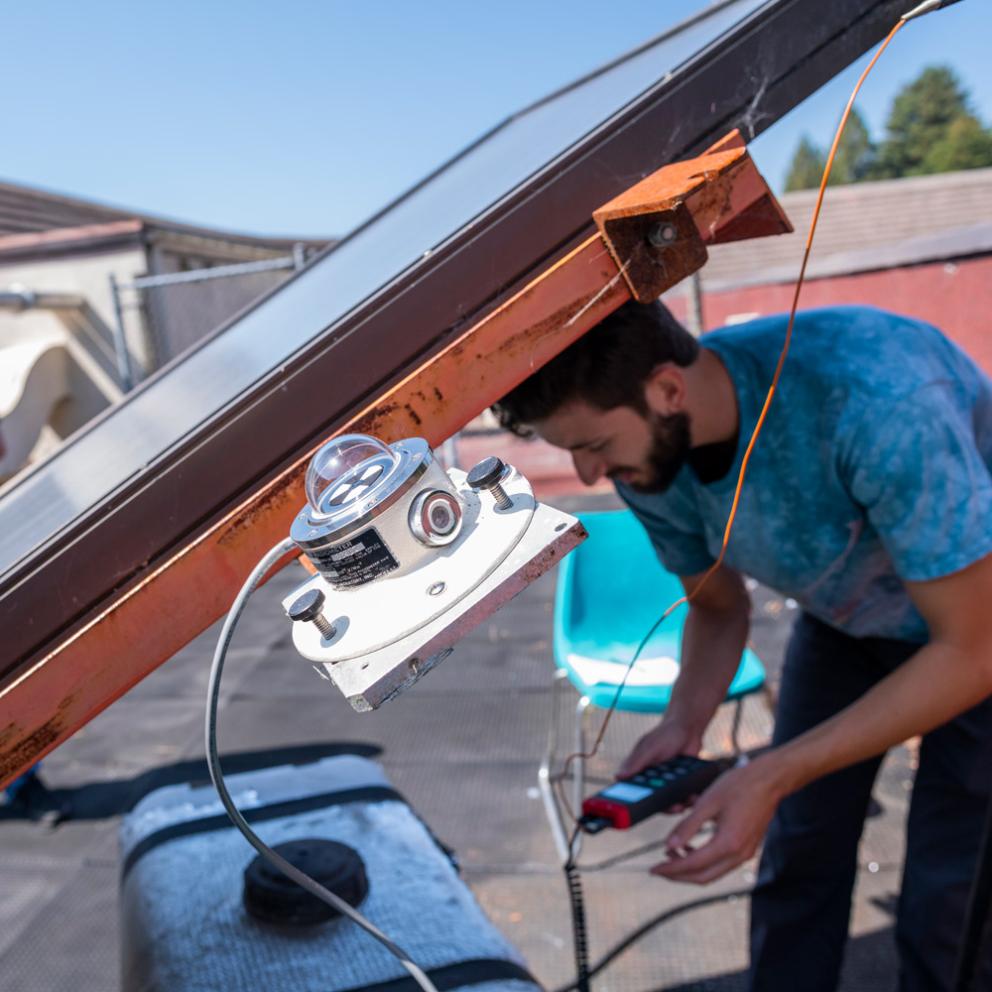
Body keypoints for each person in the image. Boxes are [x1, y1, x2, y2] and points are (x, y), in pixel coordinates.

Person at [492, 301, 992, 991]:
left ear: (668, 391)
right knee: (799, 844)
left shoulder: (876, 399)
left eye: (596, 446)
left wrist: (772, 770)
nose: (586, 475)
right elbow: (719, 608)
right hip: (848, 618)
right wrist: (683, 721)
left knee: (952, 888)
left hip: (976, 622)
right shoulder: (650, 451)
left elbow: (971, 652)